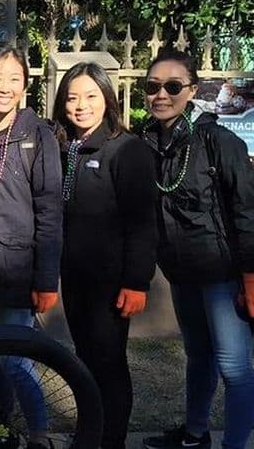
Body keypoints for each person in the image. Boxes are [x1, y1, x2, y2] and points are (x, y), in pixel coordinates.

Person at [139, 50, 254, 449]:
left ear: (191, 90)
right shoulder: (148, 141)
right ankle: (195, 433)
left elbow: (246, 210)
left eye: (173, 86)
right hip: (181, 272)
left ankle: (234, 444)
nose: (161, 95)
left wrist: (250, 278)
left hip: (223, 274)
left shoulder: (217, 141)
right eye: (153, 86)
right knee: (198, 356)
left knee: (234, 366)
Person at [51, 62, 158, 449]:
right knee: (86, 362)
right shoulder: (67, 147)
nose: (81, 106)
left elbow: (142, 222)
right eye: (72, 98)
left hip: (111, 284)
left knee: (109, 365)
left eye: (90, 96)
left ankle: (112, 441)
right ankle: (91, 434)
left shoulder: (127, 149)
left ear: (107, 99)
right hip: (75, 279)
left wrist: (136, 282)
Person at [0, 45, 63, 449]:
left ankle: (39, 434)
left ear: (25, 86)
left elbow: (49, 210)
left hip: (18, 268)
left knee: (15, 358)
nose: (4, 87)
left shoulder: (38, 134)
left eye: (14, 78)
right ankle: (4, 429)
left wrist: (46, 279)